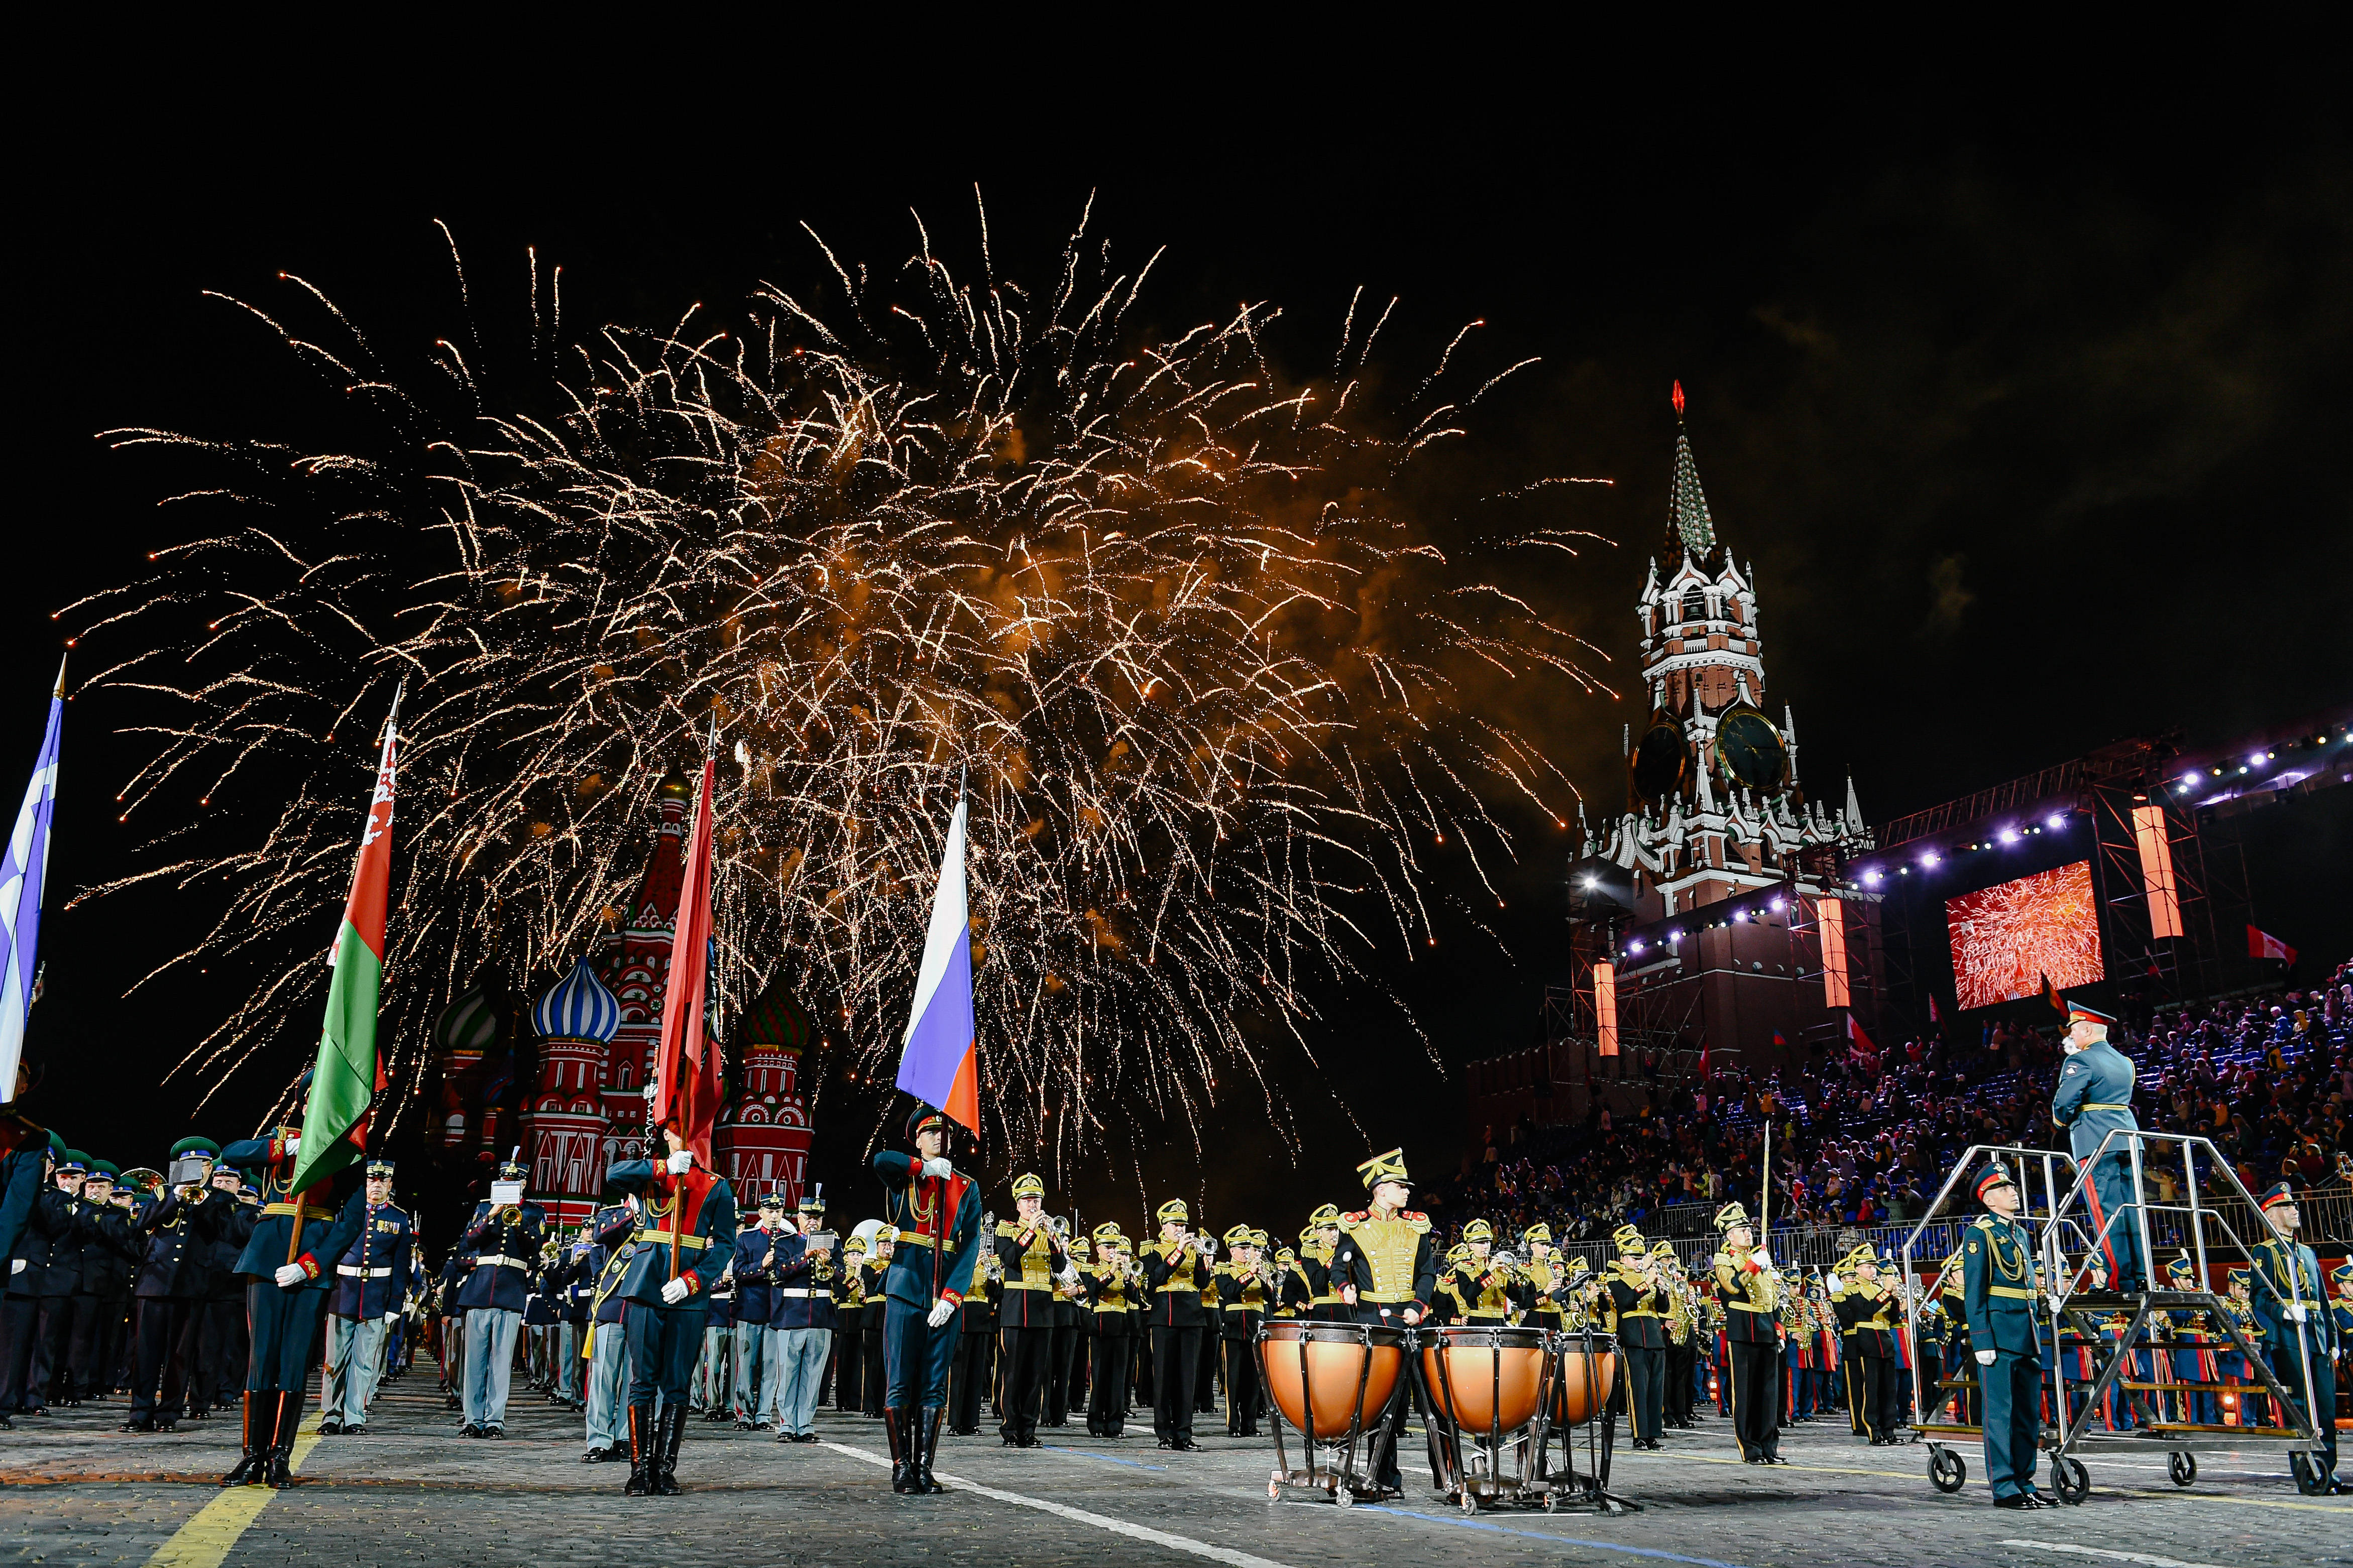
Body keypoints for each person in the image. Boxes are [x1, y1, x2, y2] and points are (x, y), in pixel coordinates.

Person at [218, 1103, 367, 1488]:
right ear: (305, 1103)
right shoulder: (282, 1136)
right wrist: (282, 1150)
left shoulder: (347, 1151)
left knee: (294, 1361)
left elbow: (351, 1220)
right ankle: (252, 1456)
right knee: (262, 1358)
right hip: (268, 1256)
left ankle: (280, 1457)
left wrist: (311, 1264)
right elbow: (231, 1152)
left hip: (308, 1262)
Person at [598, 1128, 742, 1497]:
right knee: (642, 1380)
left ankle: (664, 1468)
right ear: (667, 1134)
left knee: (677, 1383)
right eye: (681, 1131)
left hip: (688, 1293)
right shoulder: (651, 1173)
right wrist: (663, 1166)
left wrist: (694, 1280)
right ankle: (639, 1467)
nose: (689, 1138)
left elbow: (725, 1245)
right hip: (647, 1285)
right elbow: (613, 1175)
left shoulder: (716, 1185)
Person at [871, 1103, 982, 1495]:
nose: (938, 1137)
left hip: (943, 1295)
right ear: (916, 1140)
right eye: (929, 1133)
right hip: (904, 1287)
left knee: (935, 1386)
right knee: (899, 1382)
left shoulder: (966, 1186)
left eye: (943, 1133)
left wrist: (953, 1296)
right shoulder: (905, 1178)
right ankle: (901, 1466)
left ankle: (923, 1466)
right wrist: (921, 1169)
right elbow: (880, 1160)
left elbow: (970, 1245)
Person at [1331, 1150, 1435, 1497]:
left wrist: (1418, 1305)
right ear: (1379, 1190)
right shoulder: (1355, 1226)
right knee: (1382, 1402)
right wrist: (1345, 1289)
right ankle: (1384, 1476)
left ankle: (1448, 1479)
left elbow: (1427, 1272)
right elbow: (1337, 1268)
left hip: (1411, 1319)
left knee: (1430, 1401)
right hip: (1372, 1321)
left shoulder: (1415, 1225)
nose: (1406, 1191)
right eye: (1399, 1185)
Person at [1962, 1161, 2053, 1509]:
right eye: (2003, 1188)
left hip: (2025, 1332)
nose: (2012, 1192)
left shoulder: (2019, 1232)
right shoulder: (1979, 1234)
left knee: (2026, 1414)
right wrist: (1982, 1339)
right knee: (1999, 1414)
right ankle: (2004, 1486)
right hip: (1999, 1335)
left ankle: (2024, 1480)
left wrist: (2044, 1303)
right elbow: (1975, 1292)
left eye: (2011, 1187)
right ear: (1987, 1199)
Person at [2248, 1182, 2341, 1494]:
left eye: (2294, 1206)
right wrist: (2283, 1312)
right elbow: (2258, 1298)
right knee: (2300, 1407)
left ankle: (2328, 1471)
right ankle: (2307, 1472)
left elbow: (2323, 1300)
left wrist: (2332, 1337)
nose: (2295, 1210)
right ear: (2272, 1215)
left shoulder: (2307, 1252)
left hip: (2315, 1336)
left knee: (2326, 1407)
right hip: (2289, 1337)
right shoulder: (2264, 1252)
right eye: (2287, 1207)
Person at [2049, 1001, 2146, 1291]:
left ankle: (2120, 1280)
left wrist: (2060, 1123)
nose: (2072, 1037)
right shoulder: (2125, 1062)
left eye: (2075, 1031)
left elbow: (2064, 1105)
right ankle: (2141, 1275)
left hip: (2096, 1139)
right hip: (2129, 1137)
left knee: (2106, 1210)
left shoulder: (2082, 1060)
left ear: (2088, 1029)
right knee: (2133, 1209)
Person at [453, 1153, 545, 1439]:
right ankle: (472, 1418)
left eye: (515, 1180)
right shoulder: (483, 1208)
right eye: (506, 1179)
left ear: (524, 1183)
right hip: (480, 1290)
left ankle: (494, 1420)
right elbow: (469, 1240)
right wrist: (491, 1215)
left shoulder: (533, 1212)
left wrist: (517, 1222)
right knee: (475, 1362)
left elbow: (534, 1249)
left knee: (502, 1362)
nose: (510, 1183)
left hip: (511, 1291)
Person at [318, 1157, 411, 1436]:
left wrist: (395, 1304)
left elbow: (401, 1266)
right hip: (343, 1294)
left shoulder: (398, 1218)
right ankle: (331, 1415)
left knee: (364, 1362)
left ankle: (355, 1415)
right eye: (372, 1180)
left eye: (383, 1181)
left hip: (375, 1299)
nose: (377, 1185)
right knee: (334, 1361)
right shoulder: (347, 1212)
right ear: (365, 1183)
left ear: (390, 1185)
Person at [994, 1171, 1065, 1450]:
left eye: (1036, 1199)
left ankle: (1028, 1428)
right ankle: (1010, 1428)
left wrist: (1053, 1238)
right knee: (1013, 1372)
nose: (1032, 1205)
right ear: (1018, 1205)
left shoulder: (1050, 1231)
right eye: (1027, 1200)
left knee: (1037, 1374)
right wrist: (1031, 1231)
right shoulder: (1007, 1229)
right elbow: (1009, 1258)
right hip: (1016, 1308)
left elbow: (1059, 1268)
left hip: (1043, 1310)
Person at [1710, 1201, 1784, 1464]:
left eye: (1748, 1228)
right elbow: (1733, 1287)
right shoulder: (1724, 1259)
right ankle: (1750, 1448)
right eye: (1742, 1230)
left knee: (1768, 1392)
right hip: (1743, 1328)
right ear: (1730, 1235)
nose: (1748, 1233)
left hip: (1766, 1328)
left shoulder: (1760, 1258)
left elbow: (1772, 1297)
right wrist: (1752, 1265)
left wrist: (1779, 1327)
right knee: (1745, 1392)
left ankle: (1769, 1447)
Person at [1143, 1197, 1211, 1452]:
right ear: (1164, 1226)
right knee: (1164, 1376)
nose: (1180, 1229)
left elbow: (1202, 1284)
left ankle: (1184, 1432)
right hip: (1165, 1316)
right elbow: (1157, 1276)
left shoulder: (1195, 1250)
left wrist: (1205, 1259)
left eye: (1183, 1224)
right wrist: (1179, 1251)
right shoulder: (1153, 1251)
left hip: (1192, 1315)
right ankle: (1165, 1432)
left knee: (1187, 1378)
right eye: (1175, 1224)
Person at [571, 1194, 635, 1464]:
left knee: (634, 1381)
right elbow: (600, 1237)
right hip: (612, 1305)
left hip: (643, 1308)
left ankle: (625, 1438)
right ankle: (599, 1439)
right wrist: (630, 1213)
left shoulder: (661, 1214)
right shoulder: (613, 1214)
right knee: (603, 1380)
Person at [767, 1190, 836, 1441]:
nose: (813, 1221)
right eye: (808, 1216)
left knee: (814, 1372)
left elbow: (842, 1277)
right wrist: (806, 1256)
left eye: (817, 1217)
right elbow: (780, 1272)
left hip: (821, 1315)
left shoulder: (833, 1243)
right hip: (792, 1314)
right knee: (788, 1372)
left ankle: (805, 1423)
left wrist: (830, 1262)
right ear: (799, 1217)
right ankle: (787, 1424)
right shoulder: (786, 1243)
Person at [1609, 1224, 1669, 1451]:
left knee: (1655, 1389)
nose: (1637, 1261)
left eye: (1640, 1257)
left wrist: (1662, 1290)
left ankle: (1654, 1433)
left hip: (1654, 1335)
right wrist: (1646, 1283)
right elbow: (1625, 1302)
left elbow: (1662, 1309)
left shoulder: (1651, 1278)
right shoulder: (1616, 1279)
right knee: (1638, 1388)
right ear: (1623, 1259)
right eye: (1633, 1257)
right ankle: (1640, 1435)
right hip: (1634, 1335)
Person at [1834, 1244, 1900, 1444]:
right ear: (1857, 1269)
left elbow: (1894, 1317)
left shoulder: (1878, 1288)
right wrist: (1886, 1293)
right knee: (1871, 1389)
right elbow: (1866, 1310)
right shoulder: (1852, 1289)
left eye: (1873, 1266)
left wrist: (1895, 1298)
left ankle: (1889, 1430)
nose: (1873, 1271)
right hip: (1868, 1340)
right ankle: (1874, 1430)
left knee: (1889, 1390)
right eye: (1868, 1267)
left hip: (1885, 1339)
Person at [730, 1191, 786, 1428]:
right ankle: (745, 1414)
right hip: (751, 1309)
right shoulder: (747, 1239)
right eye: (770, 1212)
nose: (774, 1216)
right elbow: (739, 1272)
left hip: (776, 1311)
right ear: (761, 1213)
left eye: (778, 1212)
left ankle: (763, 1415)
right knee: (746, 1366)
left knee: (771, 1367)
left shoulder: (788, 1240)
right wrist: (761, 1266)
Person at [1216, 1225, 1270, 1437]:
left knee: (1253, 1380)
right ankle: (1234, 1424)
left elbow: (1272, 1301)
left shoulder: (1259, 1270)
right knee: (1234, 1380)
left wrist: (1267, 1281)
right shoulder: (1224, 1270)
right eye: (1242, 1247)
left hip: (1256, 1327)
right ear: (1232, 1251)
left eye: (1249, 1247)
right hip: (1235, 1328)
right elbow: (1229, 1292)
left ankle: (1250, 1424)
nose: (1247, 1251)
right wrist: (1250, 1274)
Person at [1083, 1223, 1136, 1437]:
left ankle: (1116, 1424)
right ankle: (1096, 1422)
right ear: (1099, 1249)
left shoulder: (1126, 1269)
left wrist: (1127, 1277)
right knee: (1100, 1376)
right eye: (1107, 1247)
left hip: (1121, 1326)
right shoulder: (1090, 1270)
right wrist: (1112, 1272)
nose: (1112, 1251)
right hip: (1100, 1325)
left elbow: (1135, 1298)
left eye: (1115, 1247)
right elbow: (1091, 1289)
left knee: (1118, 1379)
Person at [949, 1240, 999, 1436]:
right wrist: (971, 1265)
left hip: (982, 1317)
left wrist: (992, 1275)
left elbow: (997, 1293)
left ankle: (971, 1422)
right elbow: (957, 1285)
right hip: (963, 1315)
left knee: (977, 1373)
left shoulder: (985, 1262)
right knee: (960, 1373)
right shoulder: (958, 1259)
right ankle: (955, 1422)